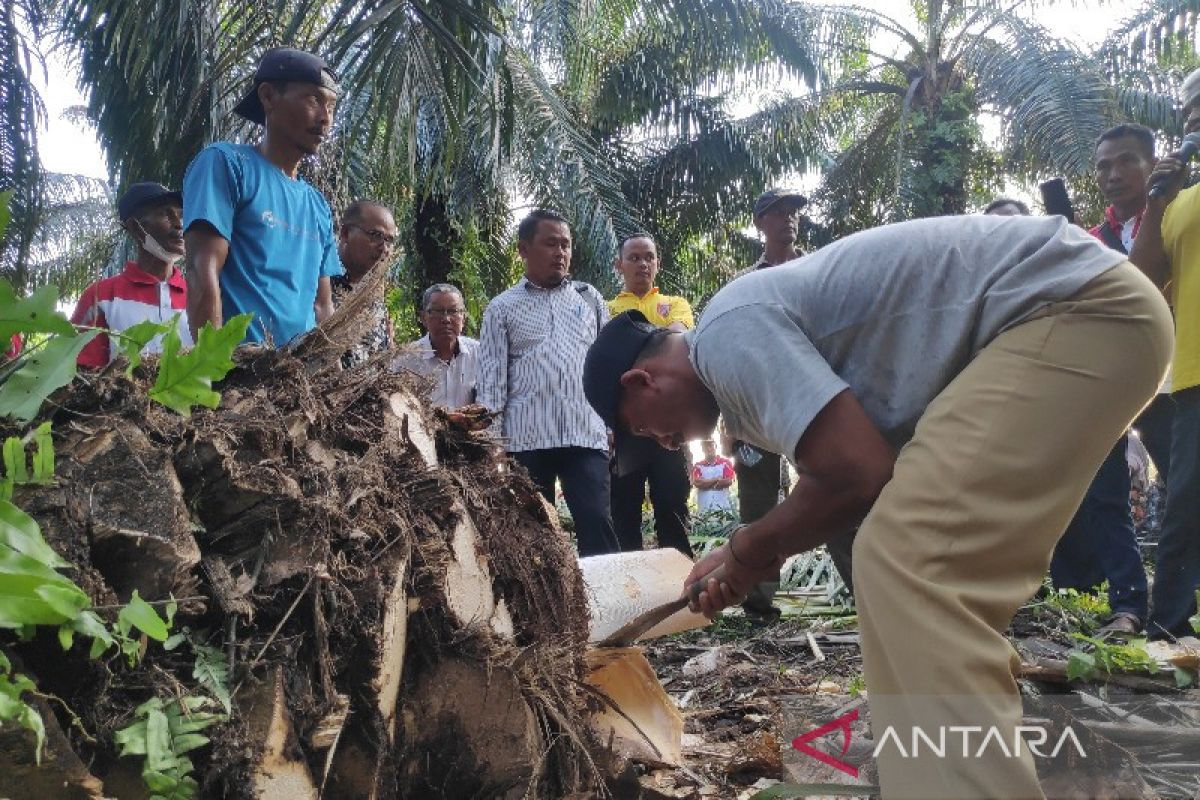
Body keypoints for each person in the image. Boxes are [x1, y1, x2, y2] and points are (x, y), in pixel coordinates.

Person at [583, 214, 1171, 800]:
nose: (664, 444)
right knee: (898, 564)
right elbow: (860, 486)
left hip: (1074, 307)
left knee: (911, 562)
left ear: (641, 381)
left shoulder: (723, 337)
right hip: (1082, 313)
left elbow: (854, 474)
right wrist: (753, 553)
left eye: (646, 432)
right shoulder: (738, 359)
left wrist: (749, 549)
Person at [1049, 124, 1161, 636]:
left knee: (1186, 488)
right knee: (1105, 493)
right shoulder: (1090, 241)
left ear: (1152, 164)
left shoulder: (1179, 215)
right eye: (1103, 165)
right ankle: (1129, 606)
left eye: (1127, 161)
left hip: (1182, 375)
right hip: (1113, 383)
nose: (1113, 174)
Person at [476, 209, 618, 556]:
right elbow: (492, 378)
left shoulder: (590, 299)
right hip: (526, 439)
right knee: (530, 533)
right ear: (524, 249)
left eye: (566, 245)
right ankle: (542, 609)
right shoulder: (501, 308)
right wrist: (493, 443)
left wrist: (614, 422)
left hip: (584, 432)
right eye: (550, 243)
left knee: (597, 523)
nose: (561, 252)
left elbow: (609, 365)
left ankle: (607, 608)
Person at [183, 47, 343, 346]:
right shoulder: (227, 164)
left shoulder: (317, 205)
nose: (325, 118)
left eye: (332, 106)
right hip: (241, 375)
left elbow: (323, 307)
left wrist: (332, 382)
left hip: (299, 379)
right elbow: (201, 270)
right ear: (268, 96)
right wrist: (209, 373)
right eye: (313, 99)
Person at [1129, 66, 1200, 641]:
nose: (1195, 116)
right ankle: (1171, 633)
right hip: (1194, 376)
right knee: (1186, 508)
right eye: (1190, 109)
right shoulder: (1180, 202)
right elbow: (1143, 277)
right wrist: (1158, 201)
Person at [728, 188, 806, 619]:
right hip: (759, 408)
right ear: (760, 223)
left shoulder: (819, 267)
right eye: (778, 213)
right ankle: (758, 603)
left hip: (819, 403)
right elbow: (737, 353)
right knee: (757, 506)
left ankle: (864, 592)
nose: (788, 219)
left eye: (793, 212)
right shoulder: (746, 282)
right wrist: (733, 421)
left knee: (838, 495)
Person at [607, 233, 694, 555]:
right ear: (619, 264)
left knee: (673, 508)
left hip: (670, 430)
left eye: (649, 257)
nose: (642, 264)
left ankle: (683, 594)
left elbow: (678, 340)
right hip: (624, 430)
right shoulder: (606, 309)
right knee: (623, 513)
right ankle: (629, 597)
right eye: (634, 257)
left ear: (658, 263)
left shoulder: (675, 305)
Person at [71, 182, 192, 367]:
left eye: (181, 215)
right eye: (166, 214)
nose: (178, 224)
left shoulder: (198, 296)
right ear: (136, 227)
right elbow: (83, 375)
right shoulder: (100, 297)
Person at [333, 200, 397, 367]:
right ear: (346, 233)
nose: (384, 248)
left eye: (389, 240)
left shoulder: (375, 293)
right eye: (376, 236)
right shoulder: (319, 286)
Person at [394, 283, 479, 408]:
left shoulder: (480, 354)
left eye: (453, 311)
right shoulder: (405, 360)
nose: (446, 319)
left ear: (463, 318)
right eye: (437, 311)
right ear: (423, 318)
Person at [691, 439, 735, 514]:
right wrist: (717, 479)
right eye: (705, 446)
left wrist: (705, 483)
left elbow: (728, 481)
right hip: (704, 511)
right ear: (702, 449)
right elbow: (697, 483)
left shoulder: (726, 462)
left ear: (716, 446)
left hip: (724, 509)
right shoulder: (698, 465)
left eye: (710, 445)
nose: (708, 448)